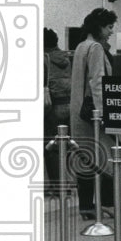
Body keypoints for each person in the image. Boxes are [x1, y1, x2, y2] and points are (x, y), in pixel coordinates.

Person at [70, 7, 117, 219]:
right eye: (109, 27)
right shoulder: (96, 47)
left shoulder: (80, 46)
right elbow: (98, 82)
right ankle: (106, 204)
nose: (111, 32)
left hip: (78, 112)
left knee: (85, 159)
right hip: (93, 116)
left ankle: (86, 206)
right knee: (104, 157)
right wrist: (104, 113)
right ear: (98, 27)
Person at [43, 28, 72, 194]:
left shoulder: (43, 58)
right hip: (68, 104)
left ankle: (57, 186)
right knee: (65, 146)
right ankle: (66, 182)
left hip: (52, 107)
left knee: (51, 147)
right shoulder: (65, 57)